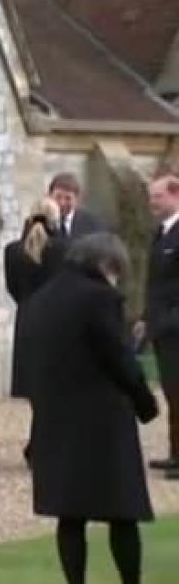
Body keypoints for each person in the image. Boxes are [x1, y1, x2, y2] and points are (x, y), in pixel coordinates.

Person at [19, 232, 159, 584]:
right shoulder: (98, 298)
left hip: (55, 418)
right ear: (106, 264)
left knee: (70, 515)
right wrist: (146, 404)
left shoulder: (42, 298)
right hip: (102, 422)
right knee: (122, 512)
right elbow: (120, 359)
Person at [4, 197, 68, 466]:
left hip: (27, 320)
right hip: (55, 321)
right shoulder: (64, 249)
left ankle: (38, 445)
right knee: (54, 388)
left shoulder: (12, 250)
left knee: (37, 389)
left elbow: (12, 288)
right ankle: (43, 446)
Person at [136, 174, 179, 481]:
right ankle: (176, 453)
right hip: (163, 329)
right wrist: (146, 317)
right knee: (172, 393)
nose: (152, 203)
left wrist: (168, 320)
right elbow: (157, 285)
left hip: (175, 329)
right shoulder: (162, 233)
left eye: (157, 197)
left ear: (176, 195)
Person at [48, 172, 104, 238]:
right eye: (58, 197)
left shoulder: (92, 224)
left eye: (68, 198)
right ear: (49, 196)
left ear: (77, 199)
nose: (62, 203)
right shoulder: (42, 223)